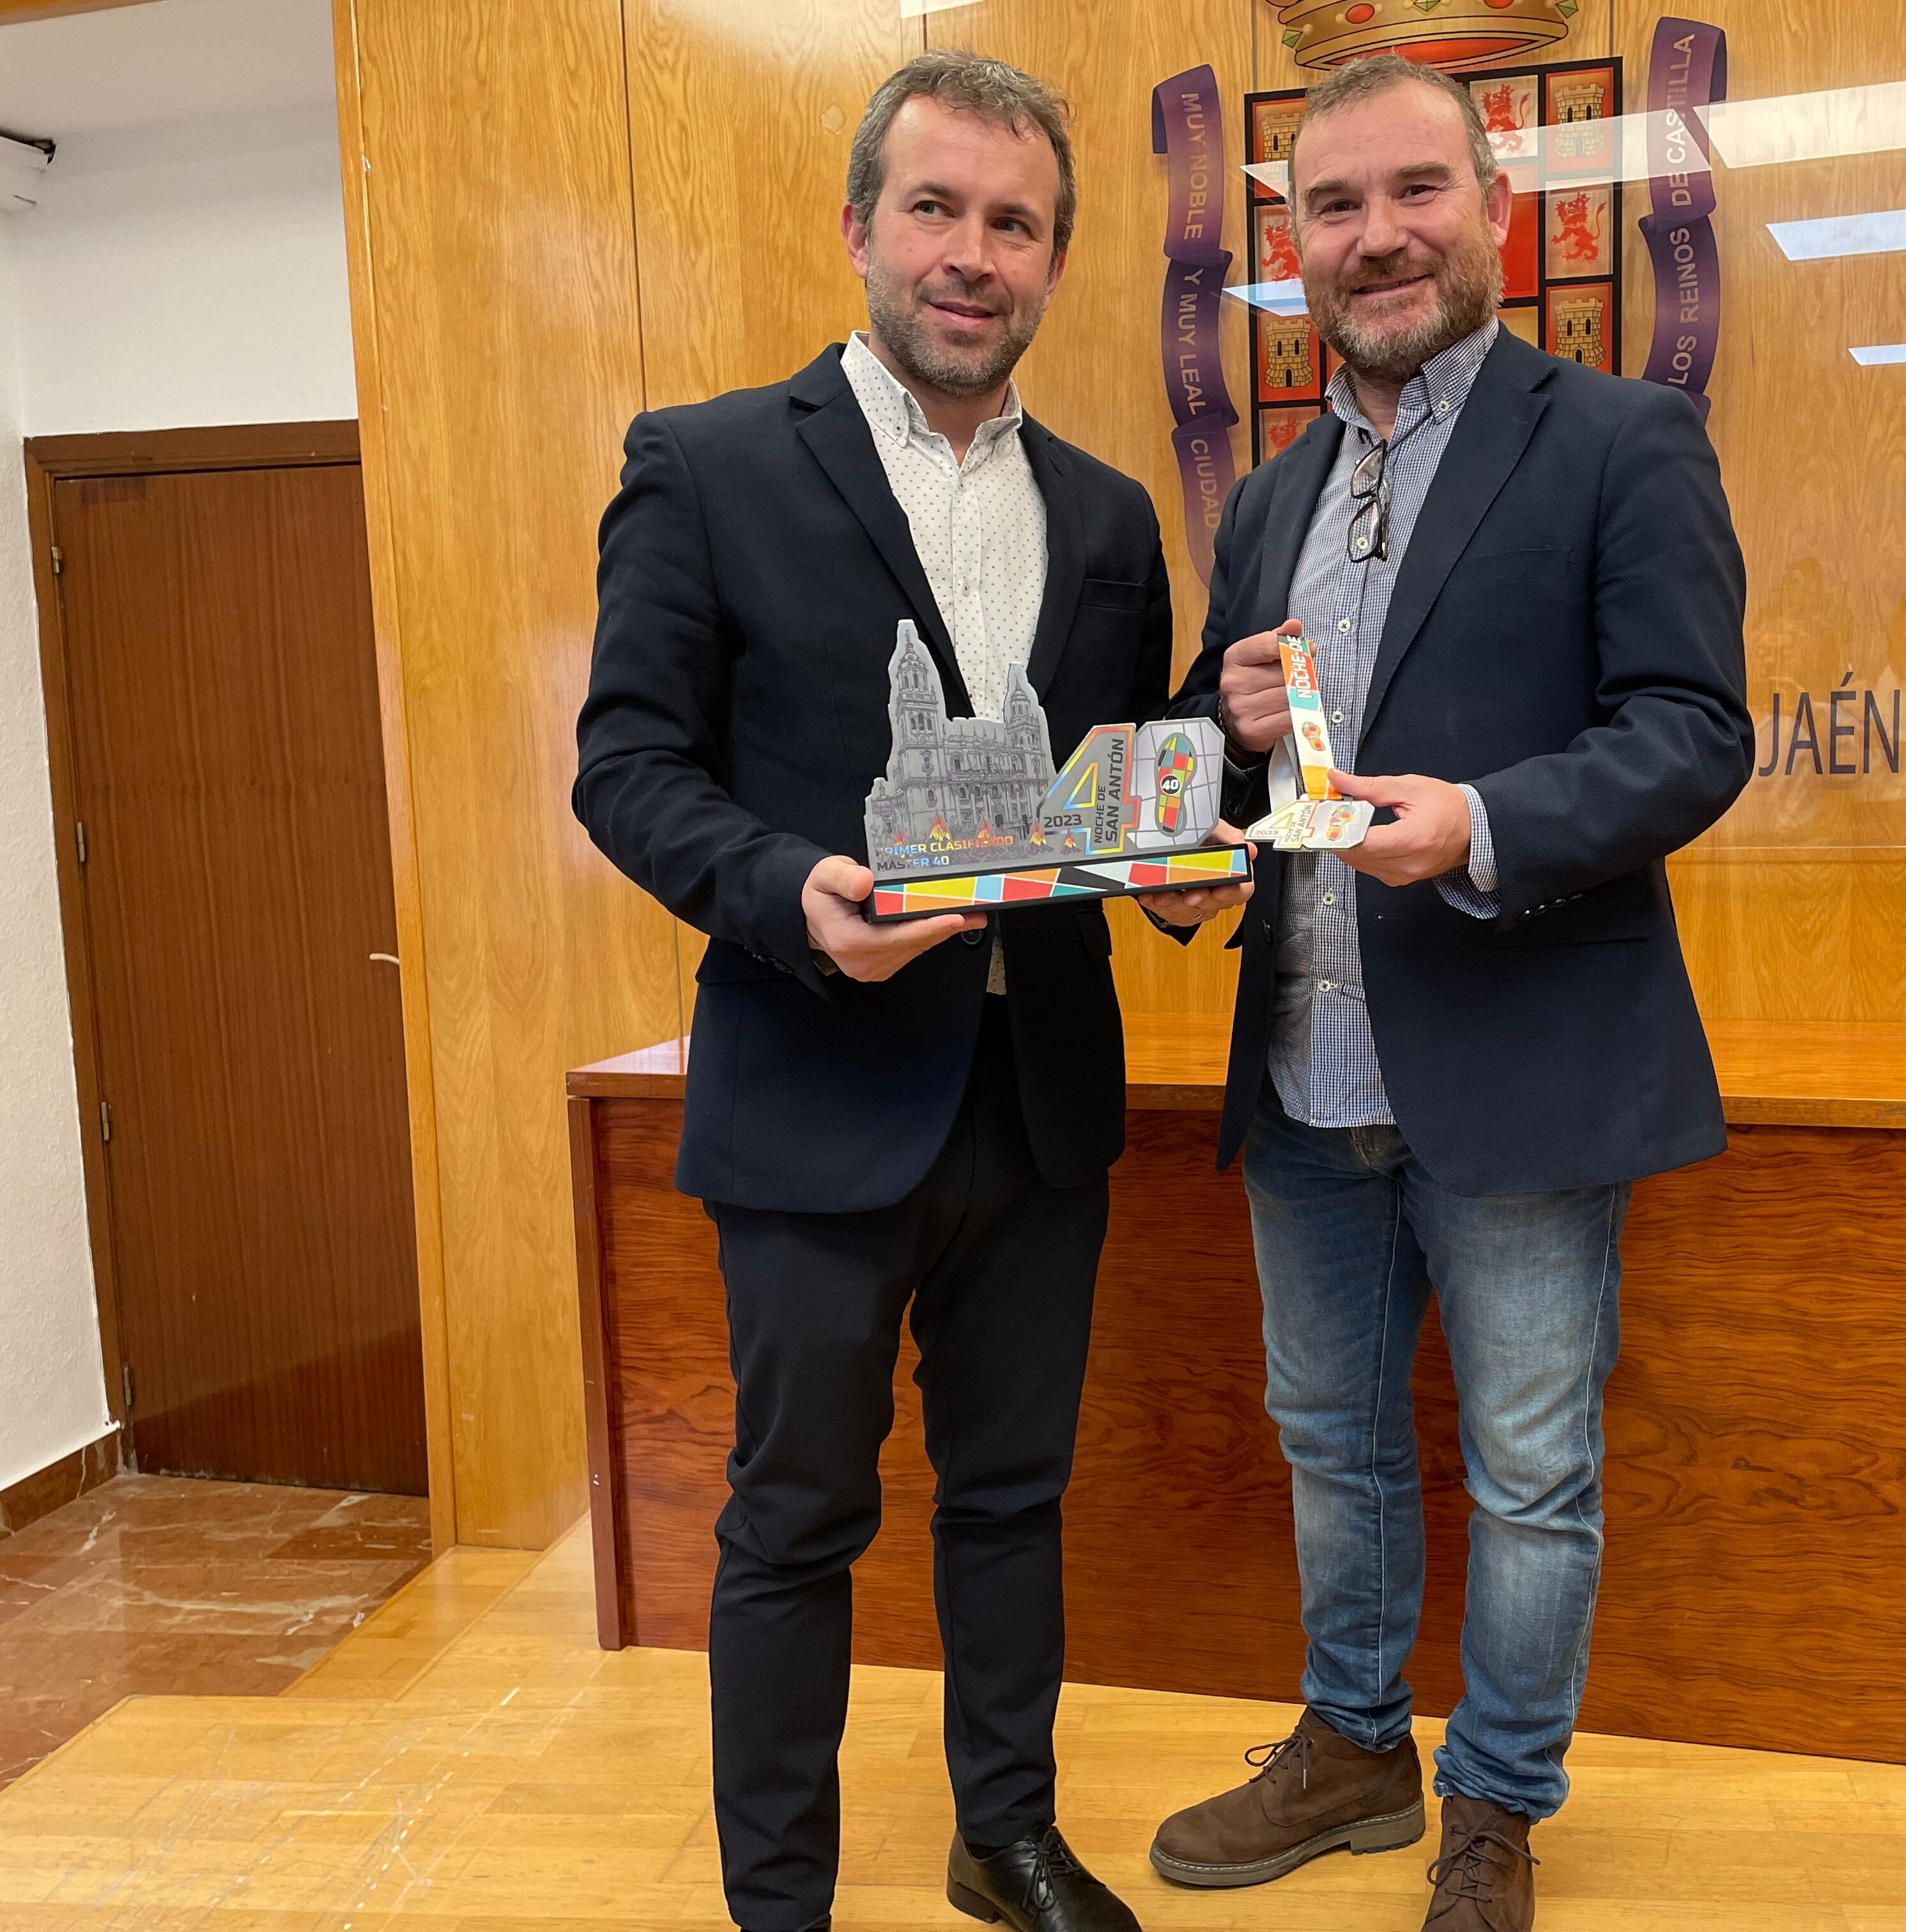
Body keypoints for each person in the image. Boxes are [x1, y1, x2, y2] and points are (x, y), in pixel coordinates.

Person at [573, 50, 1246, 1932]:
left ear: (1054, 260)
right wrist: (786, 891)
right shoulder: (700, 464)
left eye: (1013, 223)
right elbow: (626, 767)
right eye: (936, 210)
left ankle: (1000, 1837)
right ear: (861, 226)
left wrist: (1200, 796)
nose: (972, 254)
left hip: (1038, 1110)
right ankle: (778, 1901)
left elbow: (1119, 771)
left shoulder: (1110, 516)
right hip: (812, 1099)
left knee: (1011, 1505)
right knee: (795, 1523)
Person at [1146, 53, 1753, 1932]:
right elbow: (1216, 757)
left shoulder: (1617, 442)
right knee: (1329, 1440)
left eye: (1415, 193)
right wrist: (1218, 737)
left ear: (1501, 214)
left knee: (1532, 1470)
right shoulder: (1274, 495)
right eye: (1334, 207)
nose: (1376, 236)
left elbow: (1692, 733)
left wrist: (1485, 820)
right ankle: (1350, 1752)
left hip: (1525, 1062)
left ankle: (1495, 1802)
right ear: (1293, 244)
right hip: (1307, 1073)